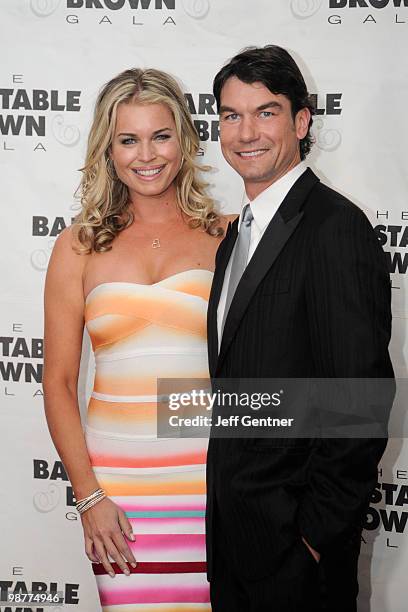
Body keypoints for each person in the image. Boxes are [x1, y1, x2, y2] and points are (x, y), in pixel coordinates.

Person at [205, 45, 394, 611]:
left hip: (295, 561)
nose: (246, 132)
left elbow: (359, 404)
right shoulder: (236, 235)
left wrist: (310, 541)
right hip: (235, 545)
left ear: (302, 120)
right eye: (232, 115)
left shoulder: (335, 228)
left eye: (265, 112)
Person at [43, 67, 229, 611]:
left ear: (185, 140)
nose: (146, 155)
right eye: (129, 139)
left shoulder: (226, 235)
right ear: (109, 148)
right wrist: (90, 498)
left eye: (160, 135)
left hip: (210, 482)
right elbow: (56, 383)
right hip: (119, 494)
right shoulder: (77, 246)